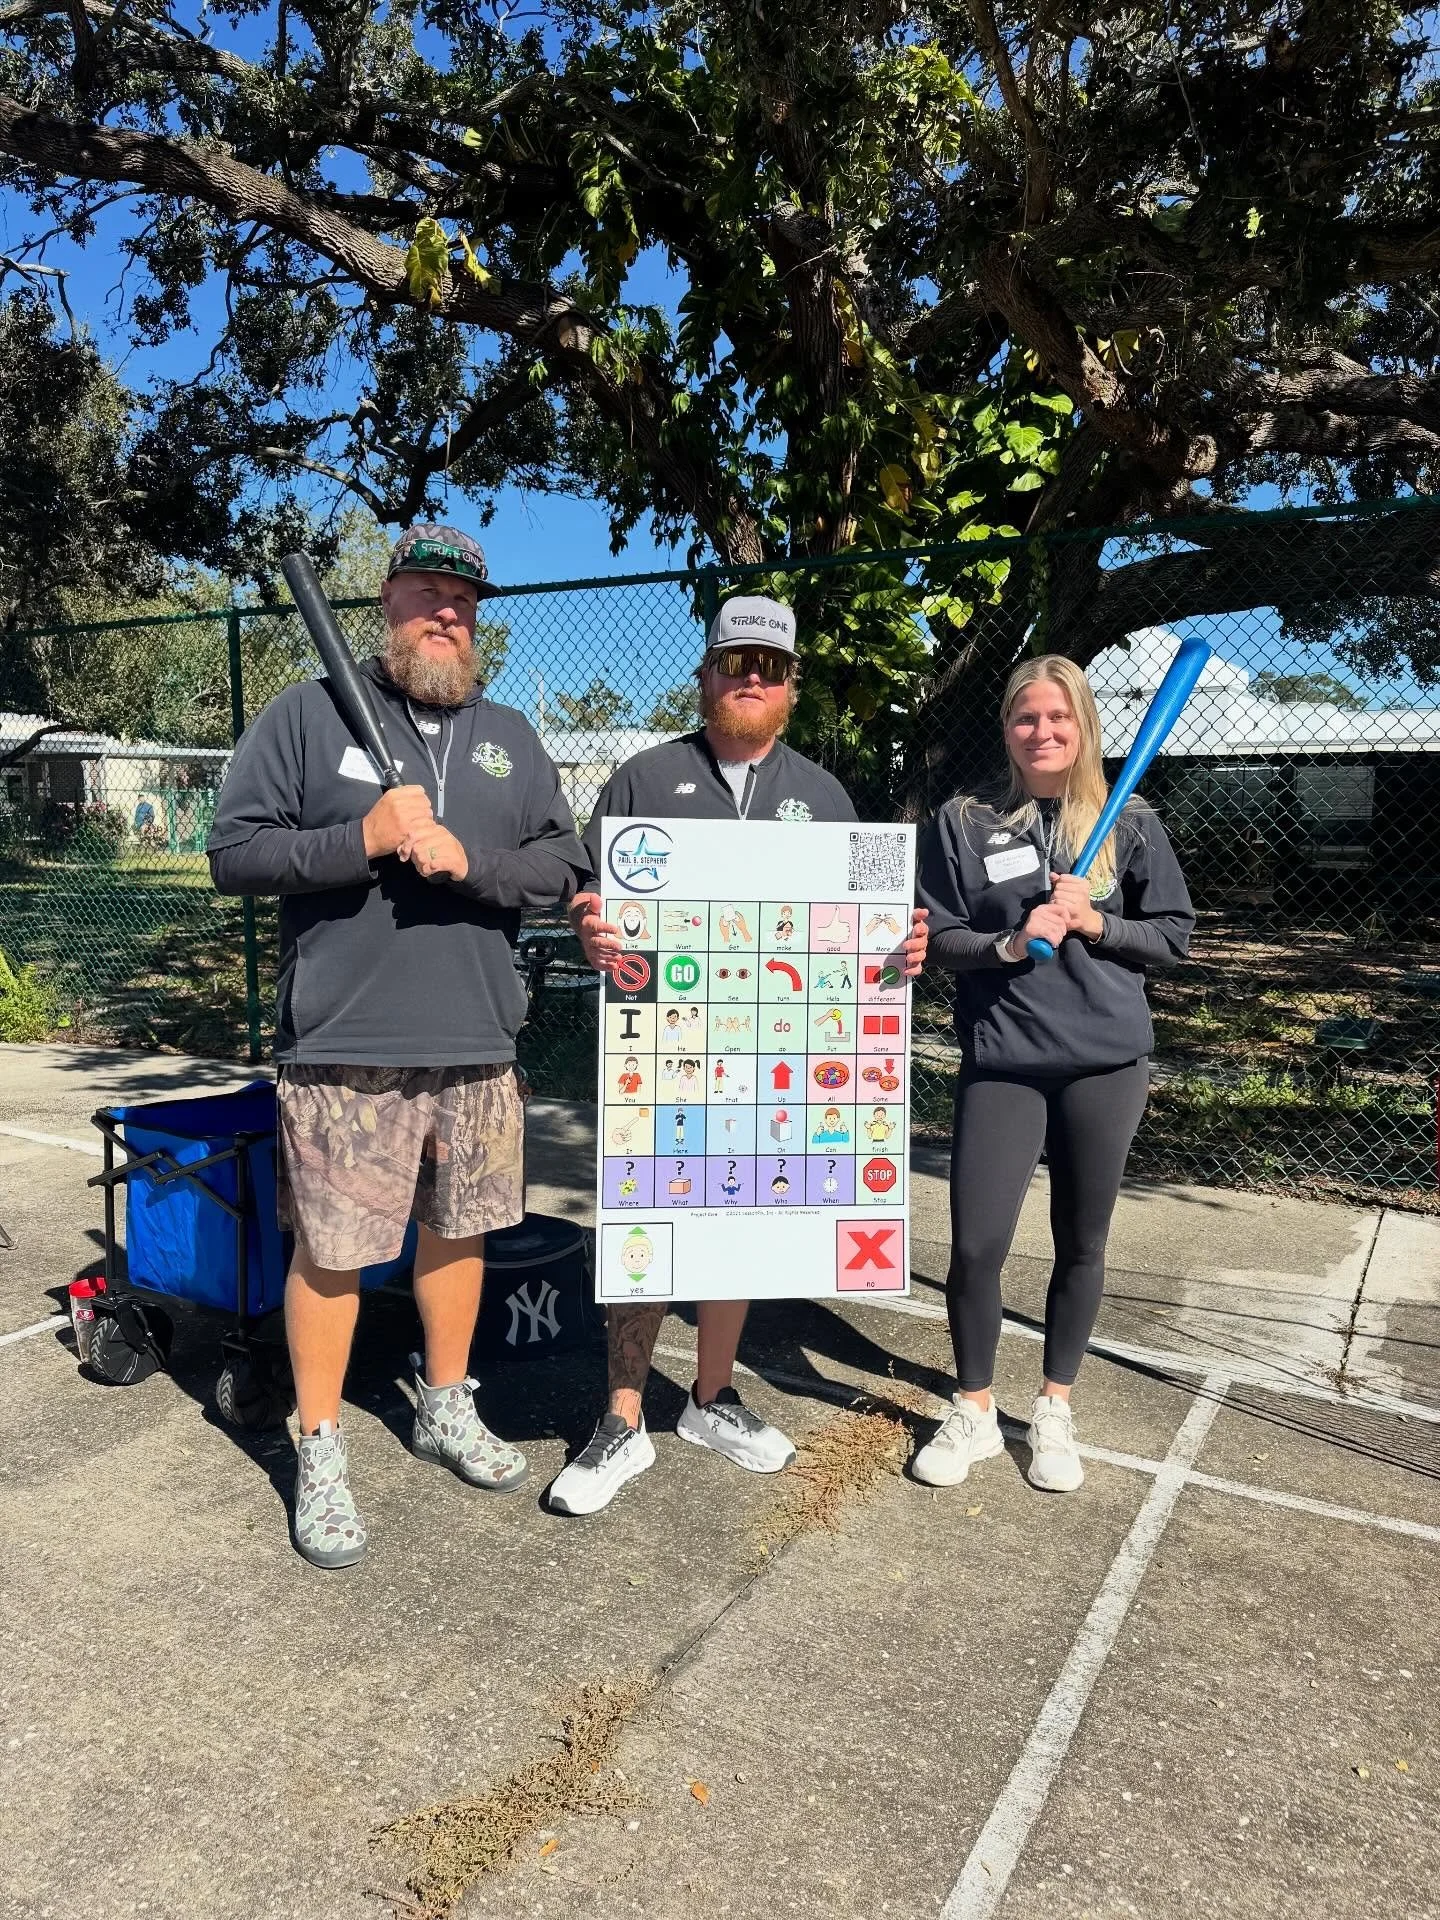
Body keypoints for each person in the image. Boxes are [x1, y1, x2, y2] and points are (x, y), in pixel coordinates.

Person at [208, 524, 588, 1568]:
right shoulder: (309, 712)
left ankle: (446, 1403)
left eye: (464, 599)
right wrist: (361, 842)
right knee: (332, 1252)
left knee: (458, 1233)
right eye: (428, 592)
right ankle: (320, 1447)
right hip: (344, 1044)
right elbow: (233, 854)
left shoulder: (509, 733)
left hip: (476, 1039)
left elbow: (563, 867)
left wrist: (473, 863)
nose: (447, 612)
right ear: (388, 601)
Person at [550, 593, 929, 1516]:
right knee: (651, 1235)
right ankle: (624, 1418)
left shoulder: (828, 796)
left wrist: (901, 948)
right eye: (734, 662)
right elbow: (585, 895)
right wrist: (588, 926)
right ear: (706, 674)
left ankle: (711, 1398)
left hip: (780, 1057)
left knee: (741, 1226)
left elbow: (873, 928)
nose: (749, 678)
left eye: (769, 666)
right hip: (664, 1051)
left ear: (791, 683)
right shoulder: (642, 779)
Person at [911, 655, 1193, 1496]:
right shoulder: (965, 821)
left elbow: (1173, 937)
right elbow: (940, 939)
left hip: (1105, 1063)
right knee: (976, 1244)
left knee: (1084, 1240)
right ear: (1007, 729)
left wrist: (1095, 921)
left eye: (1059, 719)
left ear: (1085, 728)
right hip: (1004, 1060)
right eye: (1026, 718)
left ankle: (1055, 1406)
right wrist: (1009, 938)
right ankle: (973, 1407)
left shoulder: (1128, 819)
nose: (1043, 733)